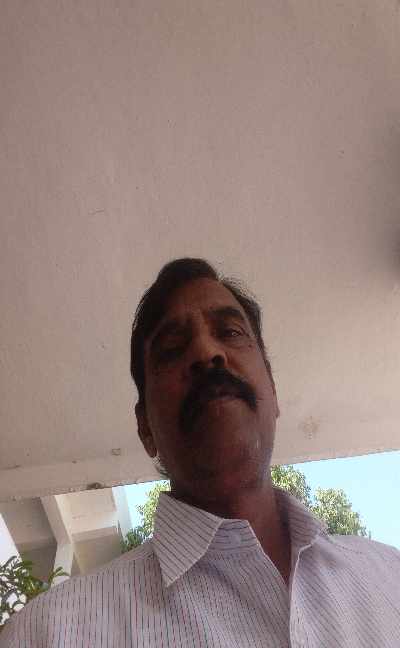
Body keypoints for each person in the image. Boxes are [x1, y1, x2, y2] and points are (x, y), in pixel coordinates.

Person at [1, 257, 399, 647]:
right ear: (145, 427)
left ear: (273, 390)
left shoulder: (389, 576)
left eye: (230, 332)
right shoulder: (48, 634)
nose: (207, 351)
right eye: (172, 348)